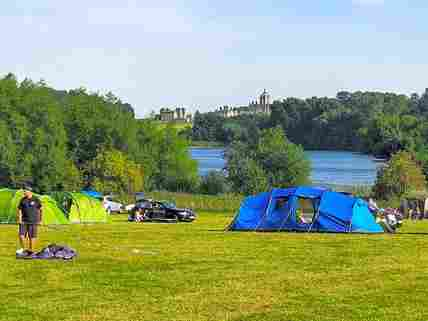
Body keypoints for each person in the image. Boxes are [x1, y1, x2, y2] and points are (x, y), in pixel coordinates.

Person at [16, 187, 42, 255]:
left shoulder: (36, 199)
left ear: (30, 191)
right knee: (21, 235)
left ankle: (31, 251)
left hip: (33, 221)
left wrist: (40, 220)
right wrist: (19, 219)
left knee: (32, 237)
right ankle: (24, 249)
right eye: (24, 191)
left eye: (25, 191)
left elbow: (41, 209)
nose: (24, 192)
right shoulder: (22, 200)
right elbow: (19, 210)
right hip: (24, 221)